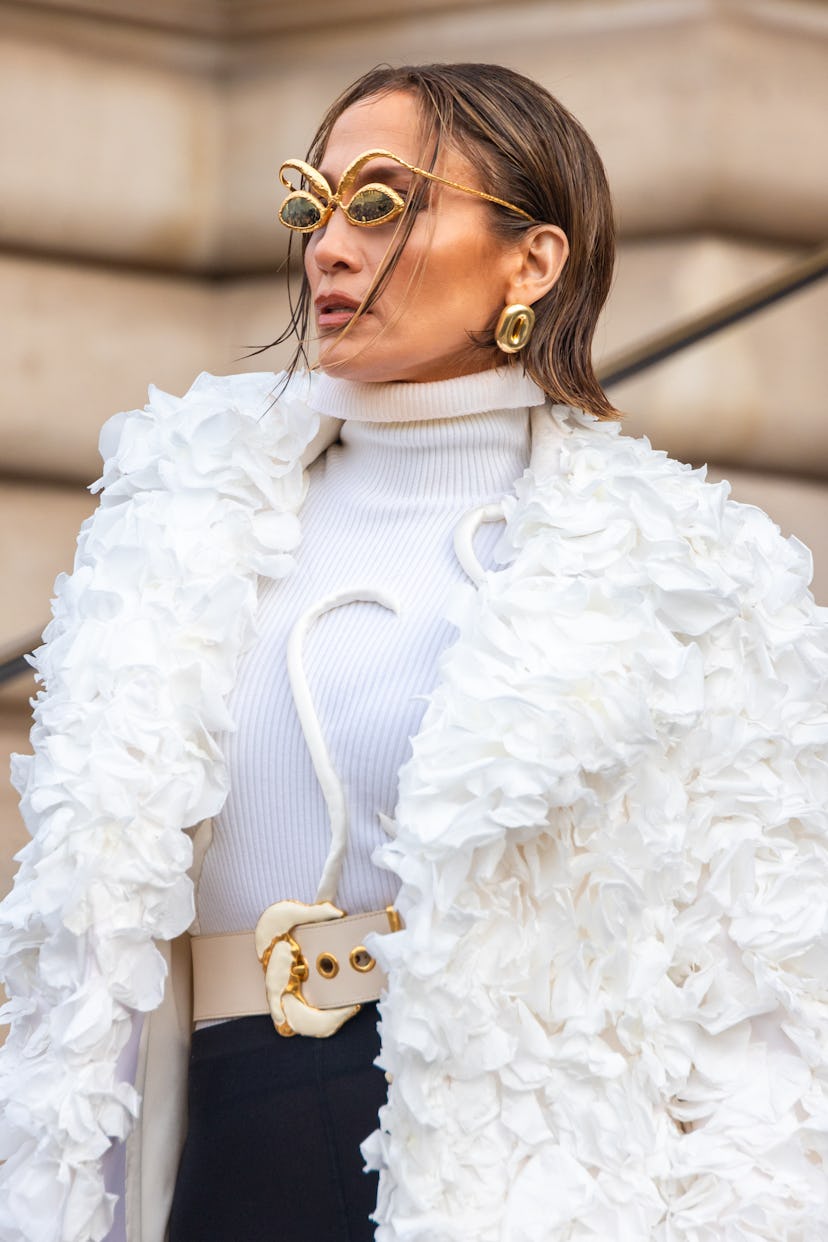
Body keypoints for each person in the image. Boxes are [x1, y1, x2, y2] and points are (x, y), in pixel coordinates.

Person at [0, 61, 826, 1242]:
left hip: (534, 1170)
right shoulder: (174, 532)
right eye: (313, 204)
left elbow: (767, 1003)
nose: (328, 247)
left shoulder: (689, 571)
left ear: (532, 261)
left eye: (382, 203)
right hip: (232, 1133)